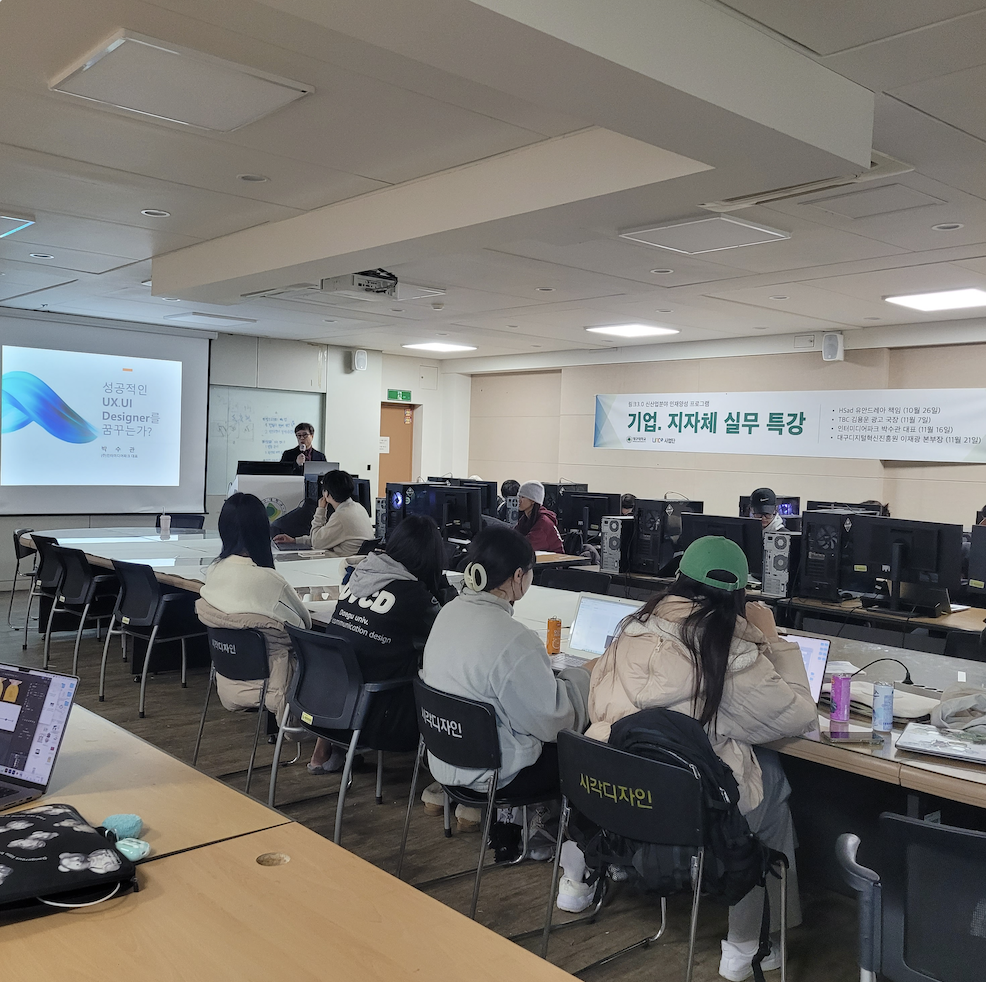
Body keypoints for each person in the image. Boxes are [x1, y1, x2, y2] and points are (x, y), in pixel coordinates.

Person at [579, 535, 816, 981]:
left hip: (625, 798)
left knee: (762, 775)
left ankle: (578, 883)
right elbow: (798, 715)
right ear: (740, 596)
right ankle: (747, 945)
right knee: (773, 786)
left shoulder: (631, 629)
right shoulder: (730, 653)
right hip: (694, 812)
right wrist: (774, 641)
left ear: (678, 579)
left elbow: (597, 703)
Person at [422, 525, 592, 855]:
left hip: (444, 757)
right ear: (518, 577)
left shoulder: (448, 612)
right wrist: (583, 676)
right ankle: (569, 846)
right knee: (584, 748)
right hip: (495, 773)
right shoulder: (514, 638)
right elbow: (554, 721)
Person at [307, 515, 450, 774]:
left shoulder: (360, 576)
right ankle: (446, 771)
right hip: (378, 715)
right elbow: (448, 631)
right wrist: (443, 591)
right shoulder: (415, 599)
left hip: (329, 699)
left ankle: (325, 748)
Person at [195, 492, 312, 719]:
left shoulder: (214, 570)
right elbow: (303, 625)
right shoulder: (269, 580)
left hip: (229, 678)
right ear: (262, 530)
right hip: (272, 683)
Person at [273, 469, 373, 555]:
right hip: (355, 562)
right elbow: (324, 538)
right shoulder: (358, 507)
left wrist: (321, 510)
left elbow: (317, 543)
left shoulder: (341, 516)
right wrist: (295, 541)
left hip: (343, 563)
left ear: (327, 494)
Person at [514, 480, 565, 553]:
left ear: (533, 501)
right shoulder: (526, 518)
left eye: (522, 497)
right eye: (519, 496)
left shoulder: (544, 522)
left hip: (553, 559)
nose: (519, 500)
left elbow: (526, 545)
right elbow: (514, 535)